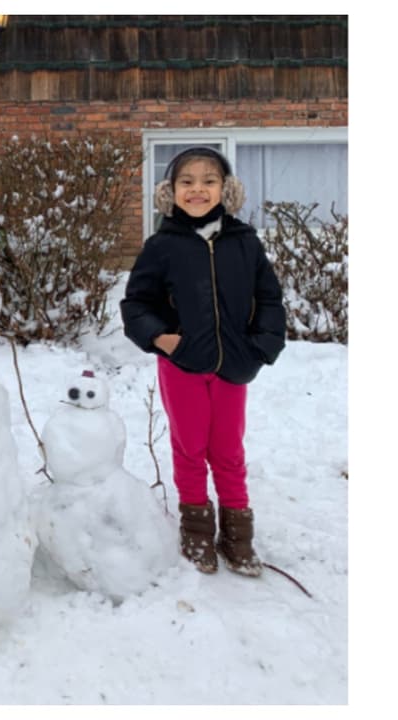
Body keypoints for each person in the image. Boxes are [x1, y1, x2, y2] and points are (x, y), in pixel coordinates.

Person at [119, 147, 285, 577]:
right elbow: (137, 301)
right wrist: (162, 338)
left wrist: (262, 344)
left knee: (228, 449)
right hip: (183, 365)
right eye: (186, 182)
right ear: (170, 192)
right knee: (190, 447)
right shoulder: (162, 246)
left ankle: (237, 535)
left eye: (209, 180)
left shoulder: (244, 242)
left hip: (234, 364)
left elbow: (268, 297)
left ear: (225, 190)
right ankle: (195, 530)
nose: (197, 189)